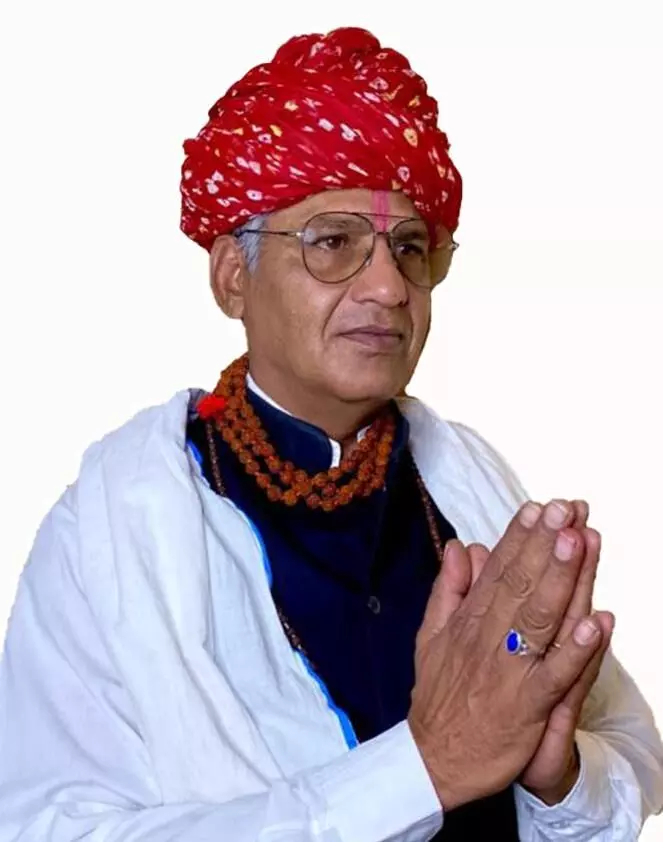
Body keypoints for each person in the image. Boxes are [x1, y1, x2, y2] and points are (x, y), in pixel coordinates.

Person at [0, 25, 661, 842]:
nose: (388, 286)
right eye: (333, 243)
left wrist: (554, 773)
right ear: (232, 276)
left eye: (409, 248)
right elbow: (50, 830)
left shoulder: (469, 480)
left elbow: (630, 749)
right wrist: (425, 768)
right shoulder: (116, 522)